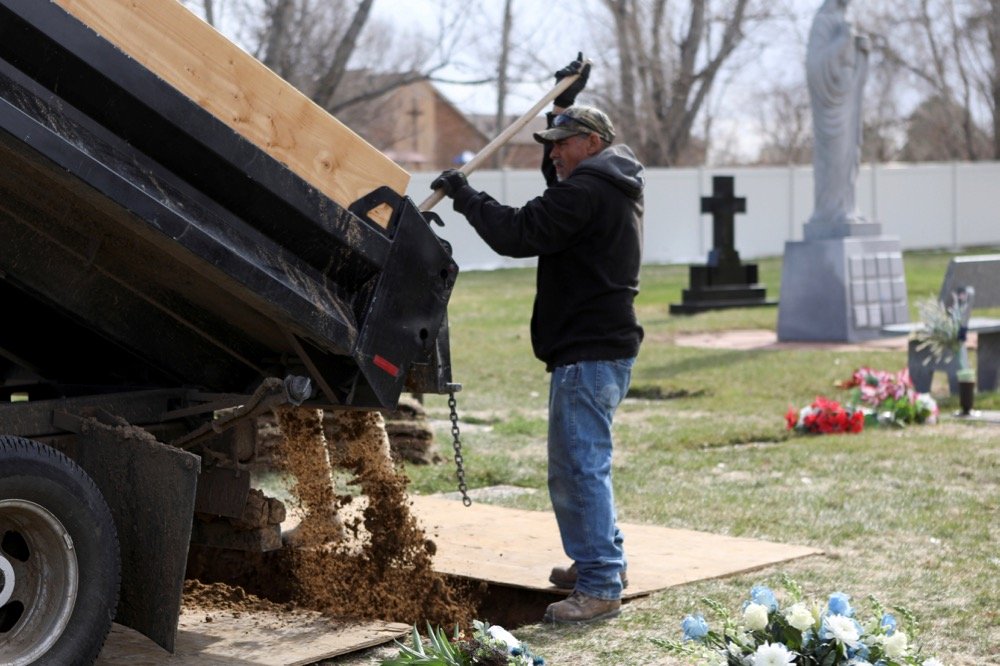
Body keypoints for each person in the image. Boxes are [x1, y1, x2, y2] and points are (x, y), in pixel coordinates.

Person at [430, 54, 645, 624]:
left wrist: (463, 194)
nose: (551, 154)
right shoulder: (608, 183)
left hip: (588, 351)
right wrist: (563, 104)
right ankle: (602, 561)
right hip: (601, 348)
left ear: (592, 143)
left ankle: (599, 582)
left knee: (579, 467)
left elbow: (519, 233)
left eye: (560, 143)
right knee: (580, 464)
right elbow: (556, 189)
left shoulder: (587, 193)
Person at [806, 0, 869, 229]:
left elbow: (851, 63)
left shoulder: (844, 21)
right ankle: (830, 211)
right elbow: (814, 66)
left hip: (849, 94)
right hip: (830, 103)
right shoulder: (823, 22)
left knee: (851, 153)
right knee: (835, 155)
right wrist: (843, 41)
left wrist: (862, 53)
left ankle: (848, 206)